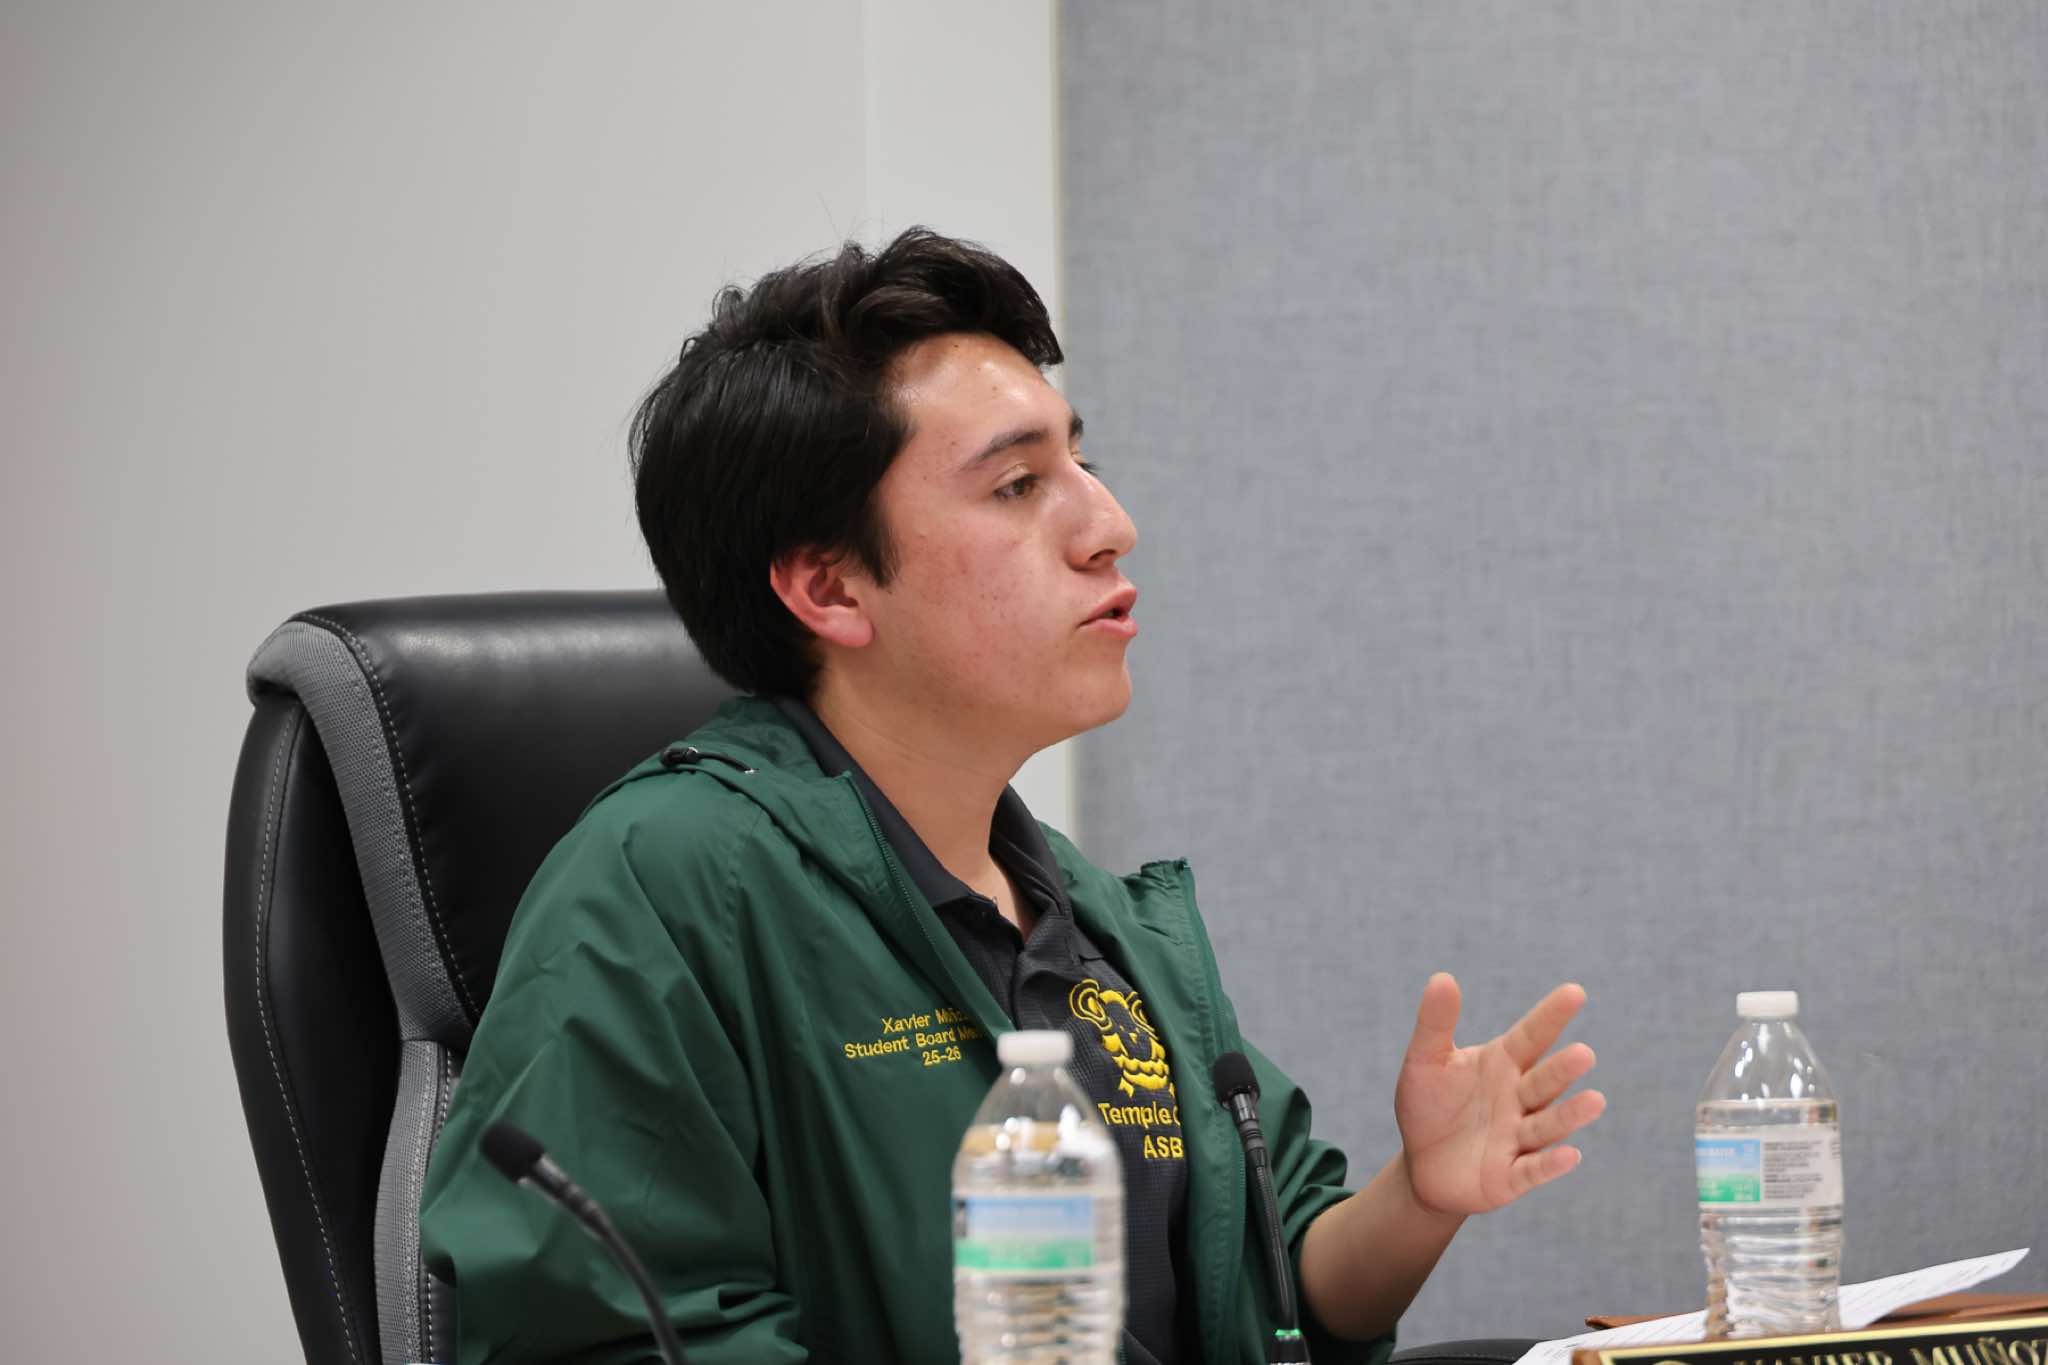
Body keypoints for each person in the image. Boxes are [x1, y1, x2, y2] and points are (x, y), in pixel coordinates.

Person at [419, 228, 1605, 1365]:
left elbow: (1277, 1286)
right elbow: (606, 1331)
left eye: (1081, 464)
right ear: (830, 589)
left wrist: (1421, 1194)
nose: (1109, 526)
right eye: (1018, 484)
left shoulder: (1087, 915)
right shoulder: (664, 882)